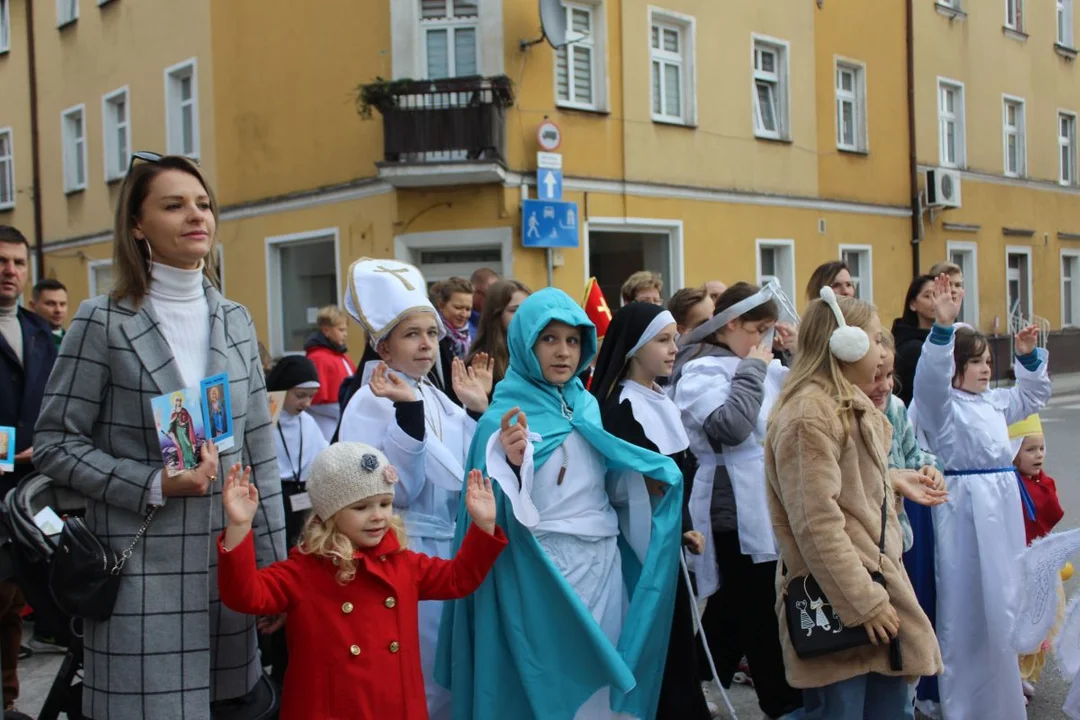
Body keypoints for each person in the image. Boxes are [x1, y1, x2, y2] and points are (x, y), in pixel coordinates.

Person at [33, 153, 287, 720]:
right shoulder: (102, 321)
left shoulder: (236, 320)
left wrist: (274, 570)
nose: (195, 215)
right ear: (137, 226)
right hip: (140, 573)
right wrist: (153, 482)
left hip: (227, 566)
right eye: (173, 205)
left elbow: (259, 455)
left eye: (202, 203)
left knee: (230, 706)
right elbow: (54, 443)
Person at [437, 288, 685, 719]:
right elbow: (487, 509)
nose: (563, 352)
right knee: (549, 680)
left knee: (601, 679)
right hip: (543, 572)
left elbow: (603, 481)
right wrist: (513, 466)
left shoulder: (585, 404)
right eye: (549, 339)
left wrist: (646, 483)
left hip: (602, 565)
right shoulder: (503, 417)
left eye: (572, 341)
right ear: (526, 344)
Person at [217, 443, 507, 720]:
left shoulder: (403, 563)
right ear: (330, 513)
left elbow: (459, 579)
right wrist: (240, 527)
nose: (378, 516)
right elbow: (245, 595)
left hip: (399, 710)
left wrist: (482, 525)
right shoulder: (304, 571)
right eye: (361, 507)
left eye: (385, 503)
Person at [765, 288, 944, 719]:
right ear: (846, 345)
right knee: (840, 713)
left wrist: (895, 481)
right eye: (876, 338)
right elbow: (816, 523)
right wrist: (864, 601)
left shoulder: (848, 406)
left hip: (873, 591)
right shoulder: (811, 415)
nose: (883, 349)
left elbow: (849, 496)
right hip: (846, 601)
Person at [338, 257, 492, 720]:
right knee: (422, 675)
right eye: (412, 335)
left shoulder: (436, 395)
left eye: (431, 333)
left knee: (454, 672)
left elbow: (476, 469)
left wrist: (479, 411)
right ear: (383, 349)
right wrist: (405, 416)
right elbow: (394, 492)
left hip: (451, 551)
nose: (427, 344)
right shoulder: (371, 401)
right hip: (408, 550)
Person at [911, 274, 1051, 720]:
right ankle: (963, 700)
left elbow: (1032, 395)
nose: (986, 369)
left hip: (1001, 513)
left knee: (1004, 601)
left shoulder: (992, 402)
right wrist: (942, 330)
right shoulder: (943, 406)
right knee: (968, 604)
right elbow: (928, 383)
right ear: (955, 367)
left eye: (989, 360)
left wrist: (1027, 358)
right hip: (965, 516)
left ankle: (1002, 693)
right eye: (975, 363)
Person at [673, 282, 802, 719]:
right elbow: (731, 426)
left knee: (740, 607)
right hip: (732, 508)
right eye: (758, 329)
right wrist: (751, 369)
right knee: (759, 611)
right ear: (731, 324)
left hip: (770, 501)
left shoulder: (760, 363)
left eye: (769, 330)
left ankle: (693, 680)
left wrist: (799, 352)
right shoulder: (700, 371)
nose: (764, 340)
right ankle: (782, 704)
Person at [589, 301, 712, 720]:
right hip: (639, 548)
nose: (674, 348)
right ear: (634, 347)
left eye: (674, 338)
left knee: (677, 638)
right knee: (654, 636)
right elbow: (632, 483)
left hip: (667, 540)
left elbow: (674, 479)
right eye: (663, 339)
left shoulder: (660, 398)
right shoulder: (619, 408)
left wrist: (686, 525)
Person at [858, 329, 945, 711]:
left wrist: (929, 468)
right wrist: (893, 480)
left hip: (897, 545)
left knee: (898, 650)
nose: (884, 386)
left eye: (889, 376)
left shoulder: (893, 407)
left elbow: (914, 454)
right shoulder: (839, 414)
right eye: (875, 376)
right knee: (858, 652)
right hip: (858, 551)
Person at [0, 225, 58, 710]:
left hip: (31, 489)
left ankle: (9, 700)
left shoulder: (40, 332)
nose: (10, 271)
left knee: (13, 603)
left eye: (18, 262)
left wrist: (47, 445)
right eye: (1, 261)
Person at [1008, 414, 1065, 700]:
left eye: (1041, 448)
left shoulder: (1043, 483)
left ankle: (1025, 676)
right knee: (1022, 622)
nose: (1039, 455)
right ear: (1014, 452)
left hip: (1042, 563)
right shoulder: (1010, 487)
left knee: (1043, 621)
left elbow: (1052, 513)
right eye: (1030, 449)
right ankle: (1013, 679)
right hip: (1021, 568)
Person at [265, 355, 328, 548]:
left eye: (311, 396)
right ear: (282, 390)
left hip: (305, 494)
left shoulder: (307, 422)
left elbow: (324, 454)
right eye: (300, 395)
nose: (307, 403)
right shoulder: (267, 423)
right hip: (276, 494)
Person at [466, 279, 531, 392]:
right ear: (496, 315)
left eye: (528, 309)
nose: (523, 316)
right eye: (514, 310)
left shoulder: (538, 355)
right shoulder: (479, 363)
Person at [304, 305, 356, 441]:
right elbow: (314, 400)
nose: (345, 334)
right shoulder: (318, 358)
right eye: (341, 330)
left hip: (343, 418)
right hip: (325, 422)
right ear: (326, 331)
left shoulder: (340, 356)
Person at [891, 274, 936, 406]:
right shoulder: (911, 347)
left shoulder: (952, 336)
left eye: (938, 294)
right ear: (912, 304)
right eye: (927, 296)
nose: (934, 301)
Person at [434, 276, 475, 360]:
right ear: (441, 305)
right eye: (458, 307)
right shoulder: (433, 336)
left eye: (468, 309)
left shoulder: (473, 335)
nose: (464, 314)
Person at [30, 278, 68, 347]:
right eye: (51, 304)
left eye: (62, 304)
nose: (58, 310)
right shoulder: (28, 342)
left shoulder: (74, 340)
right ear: (33, 306)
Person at [469, 267, 500, 339]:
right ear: (475, 292)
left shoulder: (497, 319)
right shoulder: (461, 322)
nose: (496, 300)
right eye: (490, 294)